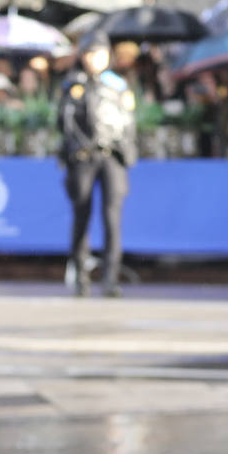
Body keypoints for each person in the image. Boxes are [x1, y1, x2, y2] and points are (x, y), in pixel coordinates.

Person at [57, 33, 137, 297]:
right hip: (83, 157)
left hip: (112, 156)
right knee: (82, 213)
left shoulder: (117, 85)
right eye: (90, 53)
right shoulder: (73, 84)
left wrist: (127, 150)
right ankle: (81, 277)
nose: (94, 59)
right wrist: (75, 149)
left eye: (99, 53)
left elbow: (128, 121)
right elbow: (64, 123)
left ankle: (111, 278)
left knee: (112, 217)